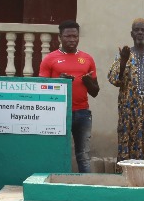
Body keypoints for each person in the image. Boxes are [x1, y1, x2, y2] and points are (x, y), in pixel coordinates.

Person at [39, 20, 99, 173]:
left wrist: (88, 82)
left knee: (84, 155)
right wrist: (59, 82)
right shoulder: (49, 59)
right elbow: (41, 89)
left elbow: (95, 92)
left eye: (75, 36)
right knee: (58, 152)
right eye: (68, 36)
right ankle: (56, 183)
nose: (72, 40)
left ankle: (86, 185)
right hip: (57, 113)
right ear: (60, 37)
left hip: (83, 113)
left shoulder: (88, 59)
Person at [107, 18, 144, 162]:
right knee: (126, 140)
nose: (140, 32)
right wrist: (123, 61)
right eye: (136, 30)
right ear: (131, 34)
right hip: (128, 109)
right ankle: (126, 174)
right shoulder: (123, 54)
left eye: (143, 30)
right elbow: (114, 79)